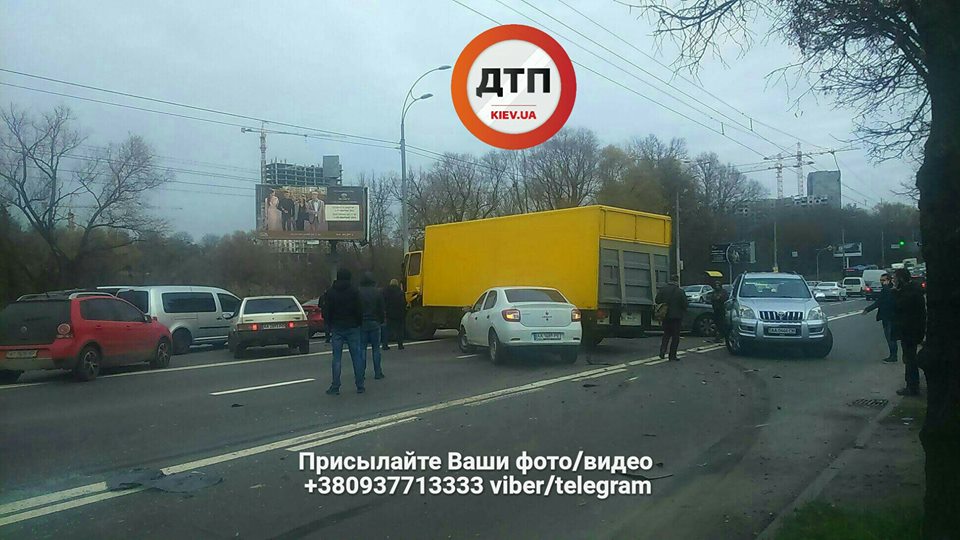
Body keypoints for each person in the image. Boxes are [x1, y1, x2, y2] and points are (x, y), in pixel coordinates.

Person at [323, 269, 365, 395]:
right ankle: (360, 385)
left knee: (336, 358)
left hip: (337, 327)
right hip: (352, 327)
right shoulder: (354, 291)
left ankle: (335, 386)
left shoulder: (331, 292)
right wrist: (358, 323)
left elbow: (326, 310)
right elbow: (359, 309)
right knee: (356, 357)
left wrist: (329, 324)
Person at [891, 268, 926, 396]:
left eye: (895, 278)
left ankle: (912, 387)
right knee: (909, 358)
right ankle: (911, 385)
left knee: (910, 359)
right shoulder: (912, 289)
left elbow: (900, 306)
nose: (893, 281)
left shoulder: (909, 292)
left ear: (901, 279)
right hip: (912, 330)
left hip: (910, 331)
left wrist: (895, 293)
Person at [861, 273, 898, 362]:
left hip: (888, 316)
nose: (881, 282)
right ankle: (893, 355)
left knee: (890, 337)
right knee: (891, 337)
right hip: (890, 316)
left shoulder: (887, 290)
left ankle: (893, 356)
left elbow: (879, 302)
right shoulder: (891, 289)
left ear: (888, 280)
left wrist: (867, 309)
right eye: (881, 280)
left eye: (883, 280)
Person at [358, 272, 386, 380]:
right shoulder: (377, 292)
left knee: (362, 349)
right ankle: (378, 372)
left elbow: (356, 308)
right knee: (376, 349)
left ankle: (361, 373)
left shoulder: (358, 292)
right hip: (374, 322)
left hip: (362, 323)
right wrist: (381, 320)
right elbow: (381, 308)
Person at [656, 275, 689, 361]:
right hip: (676, 317)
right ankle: (672, 356)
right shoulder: (680, 291)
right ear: (677, 281)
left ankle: (662, 351)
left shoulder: (663, 289)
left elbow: (657, 300)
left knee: (666, 335)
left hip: (665, 315)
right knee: (675, 337)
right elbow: (685, 304)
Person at [382, 278, 406, 351]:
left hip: (389, 313)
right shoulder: (400, 292)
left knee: (387, 330)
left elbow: (383, 301)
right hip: (399, 314)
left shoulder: (385, 291)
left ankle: (385, 345)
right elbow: (403, 303)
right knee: (399, 330)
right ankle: (400, 345)